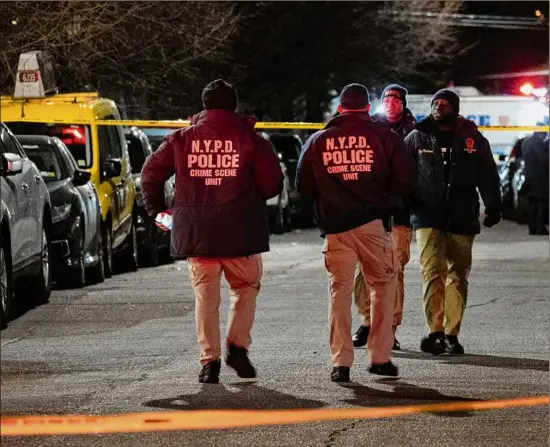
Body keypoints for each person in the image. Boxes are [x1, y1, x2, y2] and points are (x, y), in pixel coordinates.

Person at [141, 79, 283, 383]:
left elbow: (150, 172)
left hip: (198, 235)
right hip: (241, 233)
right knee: (245, 290)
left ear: (203, 105)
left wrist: (158, 211)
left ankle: (210, 362)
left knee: (205, 299)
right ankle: (238, 346)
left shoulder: (181, 140)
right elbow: (272, 186)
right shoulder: (251, 140)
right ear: (234, 105)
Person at [296, 83, 415, 382]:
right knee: (384, 288)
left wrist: (326, 201)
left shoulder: (318, 140)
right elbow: (407, 179)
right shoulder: (384, 137)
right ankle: (379, 355)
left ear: (339, 109)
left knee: (339, 294)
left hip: (336, 229)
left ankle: (341, 362)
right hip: (373, 225)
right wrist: (385, 201)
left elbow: (303, 185)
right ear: (366, 108)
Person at [404, 88, 502, 356]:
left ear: (455, 108)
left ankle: (452, 334)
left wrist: (493, 205)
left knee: (458, 276)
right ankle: (434, 332)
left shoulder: (473, 138)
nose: (438, 107)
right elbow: (402, 173)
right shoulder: (417, 136)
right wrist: (402, 204)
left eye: (445, 103)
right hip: (428, 216)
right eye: (435, 102)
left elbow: (488, 174)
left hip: (462, 216)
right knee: (432, 274)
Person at [352, 84, 417, 351]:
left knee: (395, 271)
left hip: (399, 216)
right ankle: (367, 322)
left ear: (403, 103)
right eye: (386, 99)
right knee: (362, 272)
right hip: (368, 213)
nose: (391, 103)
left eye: (396, 99)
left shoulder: (416, 133)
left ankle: (390, 326)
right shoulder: (369, 129)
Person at [521, 129, 549, 235]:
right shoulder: (537, 143)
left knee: (533, 203)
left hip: (529, 175)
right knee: (541, 201)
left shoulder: (526, 142)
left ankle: (532, 228)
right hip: (539, 177)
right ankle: (540, 227)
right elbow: (543, 159)